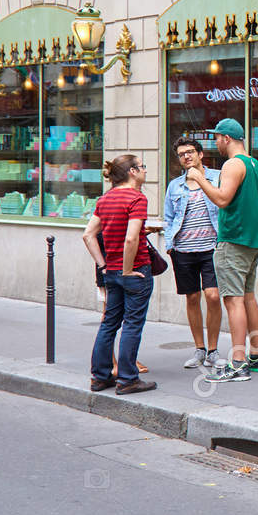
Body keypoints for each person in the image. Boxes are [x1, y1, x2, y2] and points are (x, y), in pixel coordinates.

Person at [192, 119, 258, 383]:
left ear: (226, 138)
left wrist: (200, 178)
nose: (215, 143)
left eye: (217, 138)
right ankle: (257, 356)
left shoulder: (232, 164)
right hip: (252, 240)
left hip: (233, 240)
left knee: (233, 300)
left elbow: (223, 199)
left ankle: (238, 363)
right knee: (248, 297)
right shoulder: (255, 164)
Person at [82, 154, 157, 395]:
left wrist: (103, 265)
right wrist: (127, 269)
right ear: (133, 172)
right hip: (134, 271)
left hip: (111, 272)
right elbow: (132, 237)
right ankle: (127, 379)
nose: (145, 171)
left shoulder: (105, 199)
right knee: (132, 324)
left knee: (109, 323)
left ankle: (100, 376)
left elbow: (88, 235)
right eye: (142, 167)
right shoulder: (137, 198)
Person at [163, 137, 223, 370]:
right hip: (183, 250)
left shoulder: (217, 177)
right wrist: (170, 244)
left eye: (190, 152)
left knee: (213, 296)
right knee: (192, 298)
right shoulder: (175, 186)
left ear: (200, 154)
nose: (186, 156)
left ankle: (213, 350)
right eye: (181, 154)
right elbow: (169, 218)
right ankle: (199, 349)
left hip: (212, 248)